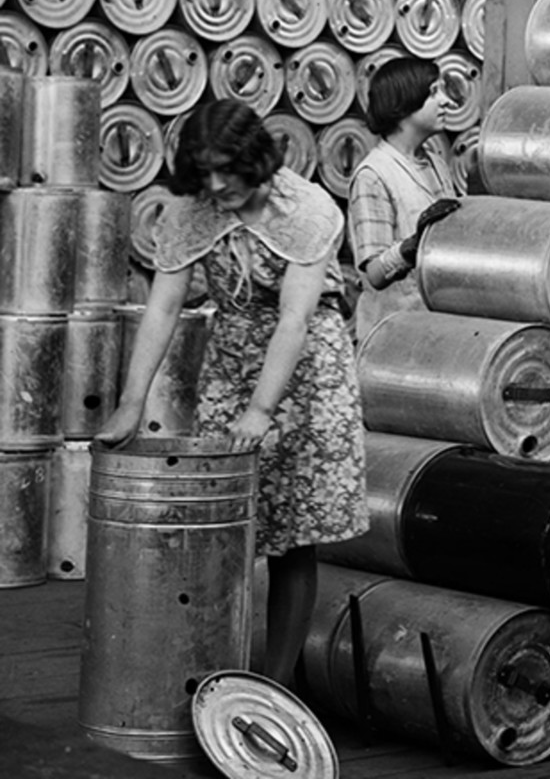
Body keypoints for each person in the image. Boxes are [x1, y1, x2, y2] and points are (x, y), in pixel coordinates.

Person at [99, 99, 370, 689]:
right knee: (223, 523)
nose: (217, 184)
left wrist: (261, 410)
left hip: (305, 371)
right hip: (233, 352)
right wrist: (131, 401)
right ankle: (209, 670)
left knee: (292, 535)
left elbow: (295, 321)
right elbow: (165, 305)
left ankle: (273, 684)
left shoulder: (306, 209)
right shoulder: (193, 210)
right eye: (204, 170)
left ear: (254, 159)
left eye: (227, 169)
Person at [347, 55, 464, 343]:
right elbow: (373, 273)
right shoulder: (373, 174)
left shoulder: (435, 163)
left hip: (434, 327)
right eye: (434, 92)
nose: (447, 101)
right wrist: (412, 247)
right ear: (404, 103)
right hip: (392, 338)